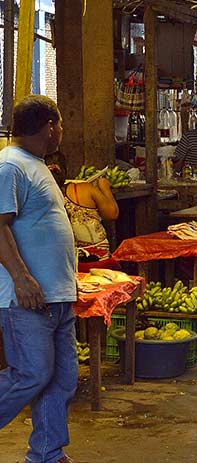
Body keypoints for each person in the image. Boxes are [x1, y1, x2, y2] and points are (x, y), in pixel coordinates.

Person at [0, 95, 78, 463]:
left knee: (61, 379)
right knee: (31, 374)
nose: (61, 132)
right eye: (60, 124)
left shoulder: (37, 165)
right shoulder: (10, 165)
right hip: (27, 299)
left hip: (57, 296)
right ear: (50, 126)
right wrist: (21, 277)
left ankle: (47, 454)